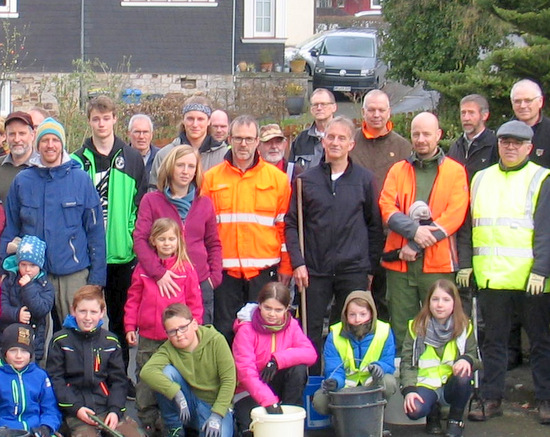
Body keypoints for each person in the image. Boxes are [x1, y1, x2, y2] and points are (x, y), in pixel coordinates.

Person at [462, 120, 550, 425]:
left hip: (531, 280)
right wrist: (465, 264)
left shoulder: (541, 178)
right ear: (498, 144)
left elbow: (546, 229)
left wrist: (541, 269)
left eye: (517, 143)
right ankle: (490, 398)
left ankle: (546, 399)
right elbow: (467, 226)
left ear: (528, 148)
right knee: (493, 343)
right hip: (491, 277)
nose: (510, 147)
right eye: (505, 142)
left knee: (541, 342)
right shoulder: (480, 179)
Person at [285, 115, 384, 374]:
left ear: (352, 144)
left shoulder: (364, 179)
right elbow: (292, 224)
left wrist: (369, 269)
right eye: (331, 137)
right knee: (310, 329)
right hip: (314, 271)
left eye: (342, 138)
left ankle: (344, 380)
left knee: (348, 328)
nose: (335, 142)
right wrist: (298, 263)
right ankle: (313, 382)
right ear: (323, 140)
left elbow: (375, 226)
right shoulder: (305, 180)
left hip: (353, 270)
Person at [0, 118, 106, 326]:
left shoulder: (81, 180)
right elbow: (10, 230)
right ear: (37, 144)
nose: (50, 145)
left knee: (82, 331)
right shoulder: (23, 181)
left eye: (55, 140)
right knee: (36, 337)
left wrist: (97, 279)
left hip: (74, 273)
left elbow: (96, 233)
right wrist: (4, 270)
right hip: (33, 275)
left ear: (62, 143)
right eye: (45, 140)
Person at [379, 112, 469, 352]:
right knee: (402, 327)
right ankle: (404, 381)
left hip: (437, 265)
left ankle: (440, 381)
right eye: (416, 134)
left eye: (426, 134)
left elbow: (455, 215)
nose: (421, 139)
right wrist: (414, 233)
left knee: (442, 324)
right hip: (400, 264)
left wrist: (417, 244)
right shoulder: (398, 170)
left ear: (438, 135)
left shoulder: (455, 171)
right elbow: (387, 207)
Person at [72, 95, 147, 378]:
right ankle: (84, 378)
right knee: (84, 318)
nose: (101, 123)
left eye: (106, 118)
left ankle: (118, 377)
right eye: (96, 118)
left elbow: (139, 206)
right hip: (86, 255)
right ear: (89, 121)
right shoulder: (77, 161)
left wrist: (129, 238)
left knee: (118, 320)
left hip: (120, 254)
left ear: (115, 119)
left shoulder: (132, 158)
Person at [202, 115, 292, 344]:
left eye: (249, 139)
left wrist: (286, 266)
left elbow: (284, 227)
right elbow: (204, 229)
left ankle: (260, 380)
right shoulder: (211, 178)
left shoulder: (278, 180)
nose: (243, 144)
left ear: (257, 141)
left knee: (262, 335)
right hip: (224, 273)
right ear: (230, 139)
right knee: (224, 334)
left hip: (263, 272)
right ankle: (228, 380)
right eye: (239, 138)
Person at [125, 217, 203, 435]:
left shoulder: (185, 269)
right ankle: (147, 420)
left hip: (176, 338)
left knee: (174, 377)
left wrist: (195, 329)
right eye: (162, 239)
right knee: (146, 379)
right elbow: (133, 300)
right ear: (153, 241)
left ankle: (170, 420)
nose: (167, 243)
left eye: (171, 239)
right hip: (149, 336)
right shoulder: (143, 269)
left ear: (179, 241)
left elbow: (194, 302)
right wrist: (130, 326)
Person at [134, 145, 222, 325]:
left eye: (191, 166)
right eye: (180, 165)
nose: (186, 171)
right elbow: (140, 240)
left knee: (199, 340)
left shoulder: (204, 203)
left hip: (199, 281)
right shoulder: (151, 201)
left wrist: (213, 278)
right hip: (165, 282)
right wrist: (158, 273)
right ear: (170, 167)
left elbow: (213, 243)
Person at [47, 285, 143, 437]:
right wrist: (76, 408)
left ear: (102, 313)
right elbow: (55, 380)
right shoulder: (60, 341)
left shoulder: (110, 341)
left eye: (93, 312)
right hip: (76, 412)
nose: (87, 317)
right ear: (73, 311)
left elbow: (119, 381)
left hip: (106, 408)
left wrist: (115, 410)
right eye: (82, 311)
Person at [350, 89, 412, 321]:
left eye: (381, 110)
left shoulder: (403, 147)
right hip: (354, 231)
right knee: (354, 294)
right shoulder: (350, 142)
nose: (376, 115)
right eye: (371, 110)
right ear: (363, 112)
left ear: (389, 112)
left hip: (389, 232)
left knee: (385, 295)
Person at [232, 282, 317, 436]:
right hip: (248, 390)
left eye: (278, 310)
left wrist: (277, 360)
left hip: (277, 384)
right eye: (267, 308)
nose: (272, 314)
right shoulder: (246, 329)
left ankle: (291, 415)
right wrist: (269, 401)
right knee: (250, 431)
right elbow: (246, 373)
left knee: (299, 369)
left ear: (287, 309)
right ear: (259, 305)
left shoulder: (291, 325)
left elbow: (310, 354)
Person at [140, 303, 236, 437]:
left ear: (195, 324)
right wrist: (177, 394)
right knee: (165, 372)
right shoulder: (168, 348)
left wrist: (217, 415)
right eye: (172, 331)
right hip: (187, 403)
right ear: (167, 335)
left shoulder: (216, 340)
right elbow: (147, 372)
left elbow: (229, 380)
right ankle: (174, 428)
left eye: (183, 328)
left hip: (214, 404)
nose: (179, 334)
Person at [401, 279, 480, 437]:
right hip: (426, 385)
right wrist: (409, 390)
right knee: (414, 410)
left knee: (465, 375)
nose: (439, 305)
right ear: (428, 302)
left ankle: (455, 420)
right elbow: (407, 362)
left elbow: (476, 359)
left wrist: (467, 359)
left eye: (446, 300)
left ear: (454, 303)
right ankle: (433, 413)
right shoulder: (415, 327)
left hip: (451, 383)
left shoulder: (465, 327)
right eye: (435, 299)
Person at [313, 290, 397, 416]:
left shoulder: (384, 331)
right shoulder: (334, 335)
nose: (357, 319)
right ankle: (340, 419)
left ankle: (376, 417)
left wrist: (379, 367)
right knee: (319, 401)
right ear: (345, 315)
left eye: (363, 314)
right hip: (345, 385)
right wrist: (334, 382)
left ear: (371, 313)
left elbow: (388, 363)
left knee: (389, 382)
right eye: (352, 314)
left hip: (371, 383)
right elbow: (333, 368)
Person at [150, 96, 229, 188]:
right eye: (190, 119)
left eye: (200, 119)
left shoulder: (224, 156)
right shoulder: (165, 155)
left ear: (208, 121)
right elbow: (155, 194)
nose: (195, 124)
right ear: (183, 120)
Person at [0, 323, 62, 436]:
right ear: (4, 353)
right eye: (13, 350)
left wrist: (46, 427)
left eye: (24, 351)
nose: (19, 356)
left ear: (31, 353)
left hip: (35, 430)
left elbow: (50, 409)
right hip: (6, 431)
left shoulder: (40, 376)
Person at [0, 235, 54, 361]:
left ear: (40, 266)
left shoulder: (45, 285)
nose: (27, 269)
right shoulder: (9, 281)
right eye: (23, 264)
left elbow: (41, 309)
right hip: (8, 338)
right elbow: (2, 305)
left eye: (32, 265)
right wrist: (16, 314)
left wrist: (28, 287)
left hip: (34, 340)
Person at [447, 94, 498, 183]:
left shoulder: (494, 145)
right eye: (463, 113)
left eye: (471, 113)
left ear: (484, 115)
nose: (466, 118)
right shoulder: (456, 147)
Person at [289, 88, 337, 171]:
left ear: (334, 107)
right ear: (311, 109)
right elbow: (291, 172)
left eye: (323, 104)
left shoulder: (343, 138)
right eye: (315, 105)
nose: (319, 108)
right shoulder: (301, 140)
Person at [510, 79, 550, 168]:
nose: (522, 106)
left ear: (540, 101)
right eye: (517, 101)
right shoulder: (503, 133)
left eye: (528, 100)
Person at [0, 111, 38, 205]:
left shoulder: (44, 167)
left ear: (32, 135)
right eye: (12, 134)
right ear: (6, 136)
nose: (17, 139)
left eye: (22, 133)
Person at [128, 113, 160, 179]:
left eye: (145, 132)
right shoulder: (120, 157)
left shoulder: (161, 157)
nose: (141, 136)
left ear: (151, 134)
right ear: (129, 134)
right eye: (137, 132)